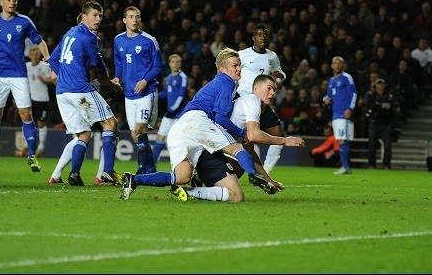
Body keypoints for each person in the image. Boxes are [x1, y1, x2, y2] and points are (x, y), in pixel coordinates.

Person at [120, 48, 278, 201]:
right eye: (234, 66)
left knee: (182, 177)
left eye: (239, 65)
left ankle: (134, 180)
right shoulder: (227, 82)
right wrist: (241, 133)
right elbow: (220, 119)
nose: (238, 69)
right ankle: (253, 175)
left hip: (180, 128)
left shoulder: (220, 84)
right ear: (222, 69)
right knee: (236, 149)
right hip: (198, 120)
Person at [181, 74, 305, 202]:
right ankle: (196, 186)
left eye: (274, 90)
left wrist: (268, 180)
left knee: (243, 162)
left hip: (208, 147)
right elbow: (254, 135)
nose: (272, 93)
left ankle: (199, 181)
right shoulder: (253, 100)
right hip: (208, 148)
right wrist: (284, 140)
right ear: (256, 88)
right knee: (236, 188)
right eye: (269, 88)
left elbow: (250, 151)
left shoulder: (250, 111)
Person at [0, 0, 50, 175]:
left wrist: (47, 57)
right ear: (1, 2)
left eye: (14, 0)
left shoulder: (24, 21)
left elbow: (39, 40)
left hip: (18, 75)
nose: (12, 2)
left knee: (26, 115)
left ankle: (32, 156)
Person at [47, 1, 121, 186]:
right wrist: (109, 83)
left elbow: (53, 59)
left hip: (62, 92)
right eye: (94, 15)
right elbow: (99, 66)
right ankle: (107, 174)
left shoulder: (69, 33)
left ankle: (74, 174)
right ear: (84, 16)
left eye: (100, 16)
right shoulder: (89, 37)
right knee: (110, 123)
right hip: (79, 89)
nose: (98, 19)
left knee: (83, 135)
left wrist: (64, 75)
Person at [112, 6, 163, 174]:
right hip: (129, 93)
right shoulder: (118, 40)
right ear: (124, 20)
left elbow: (157, 65)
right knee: (136, 135)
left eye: (137, 17)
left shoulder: (149, 40)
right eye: (131, 16)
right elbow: (119, 62)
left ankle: (141, 170)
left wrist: (145, 80)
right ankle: (151, 169)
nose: (135, 19)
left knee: (139, 130)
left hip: (147, 92)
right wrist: (118, 76)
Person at [237, 23, 287, 174]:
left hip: (261, 103)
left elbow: (280, 74)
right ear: (253, 38)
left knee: (278, 134)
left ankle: (266, 172)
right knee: (238, 137)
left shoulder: (272, 56)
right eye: (259, 34)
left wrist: (280, 77)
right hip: (243, 100)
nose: (262, 37)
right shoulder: (243, 54)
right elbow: (232, 71)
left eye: (265, 34)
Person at [323, 56, 357, 175]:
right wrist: (326, 99)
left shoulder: (347, 77)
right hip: (335, 114)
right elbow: (329, 96)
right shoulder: (331, 80)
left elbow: (354, 94)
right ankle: (346, 167)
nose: (337, 65)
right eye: (335, 63)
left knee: (343, 140)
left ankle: (345, 167)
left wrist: (350, 108)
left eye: (339, 63)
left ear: (343, 65)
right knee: (341, 140)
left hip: (344, 113)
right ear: (332, 66)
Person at [153, 54, 188, 163]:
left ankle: (183, 167)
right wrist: (154, 97)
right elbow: (166, 93)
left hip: (178, 115)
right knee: (160, 137)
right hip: (169, 115)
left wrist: (172, 109)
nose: (175, 64)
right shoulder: (168, 78)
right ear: (169, 64)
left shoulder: (183, 77)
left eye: (178, 62)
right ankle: (151, 166)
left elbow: (181, 96)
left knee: (178, 141)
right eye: (173, 62)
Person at [23, 46, 55, 157]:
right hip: (29, 98)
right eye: (33, 54)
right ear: (29, 55)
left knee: (41, 123)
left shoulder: (44, 66)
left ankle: (41, 147)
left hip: (42, 99)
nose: (35, 56)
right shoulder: (26, 66)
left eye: (37, 54)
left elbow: (53, 79)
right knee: (28, 121)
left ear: (40, 55)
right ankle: (27, 146)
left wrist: (44, 79)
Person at [364, 78, 398, 169]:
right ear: (375, 86)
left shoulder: (389, 96)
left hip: (386, 123)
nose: (380, 87)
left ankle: (386, 165)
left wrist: (378, 106)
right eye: (378, 85)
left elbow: (392, 108)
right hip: (374, 122)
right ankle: (371, 164)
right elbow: (368, 106)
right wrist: (380, 105)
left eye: (382, 84)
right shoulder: (371, 95)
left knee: (387, 145)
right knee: (372, 145)